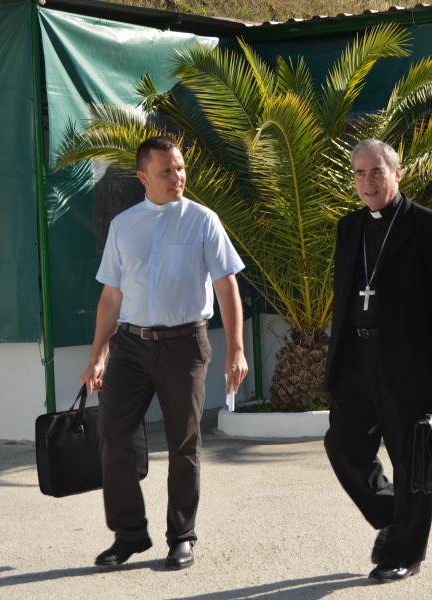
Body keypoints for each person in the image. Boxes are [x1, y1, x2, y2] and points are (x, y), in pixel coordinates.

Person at [79, 135, 248, 570]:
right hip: (131, 347)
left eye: (180, 168)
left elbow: (226, 285)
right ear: (143, 177)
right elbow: (111, 297)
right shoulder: (124, 225)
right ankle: (130, 534)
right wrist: (98, 354)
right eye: (167, 171)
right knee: (113, 435)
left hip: (185, 345)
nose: (178, 177)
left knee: (184, 443)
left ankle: (182, 536)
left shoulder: (203, 220)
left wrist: (236, 349)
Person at [324, 138, 432, 583]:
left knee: (411, 460)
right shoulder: (349, 227)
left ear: (397, 174)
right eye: (360, 173)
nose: (367, 181)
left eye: (376, 172)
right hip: (355, 359)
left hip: (409, 363)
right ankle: (391, 514)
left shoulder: (430, 227)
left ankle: (405, 552)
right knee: (342, 445)